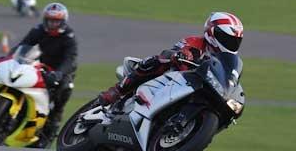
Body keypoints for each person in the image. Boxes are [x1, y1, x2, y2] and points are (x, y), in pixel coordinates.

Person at [99, 11, 243, 107]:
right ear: (212, 33)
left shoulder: (228, 60)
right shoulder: (195, 42)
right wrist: (181, 54)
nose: (231, 43)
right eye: (227, 38)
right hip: (169, 80)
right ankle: (116, 91)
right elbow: (172, 52)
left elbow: (230, 78)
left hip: (194, 91)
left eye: (235, 40)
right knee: (158, 60)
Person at [8, 2, 77, 146]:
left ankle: (52, 127)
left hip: (62, 70)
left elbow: (69, 59)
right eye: (50, 20)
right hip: (41, 66)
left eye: (56, 21)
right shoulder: (39, 30)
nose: (52, 24)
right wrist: (10, 56)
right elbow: (24, 45)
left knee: (64, 90)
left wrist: (59, 73)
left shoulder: (68, 36)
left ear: (62, 21)